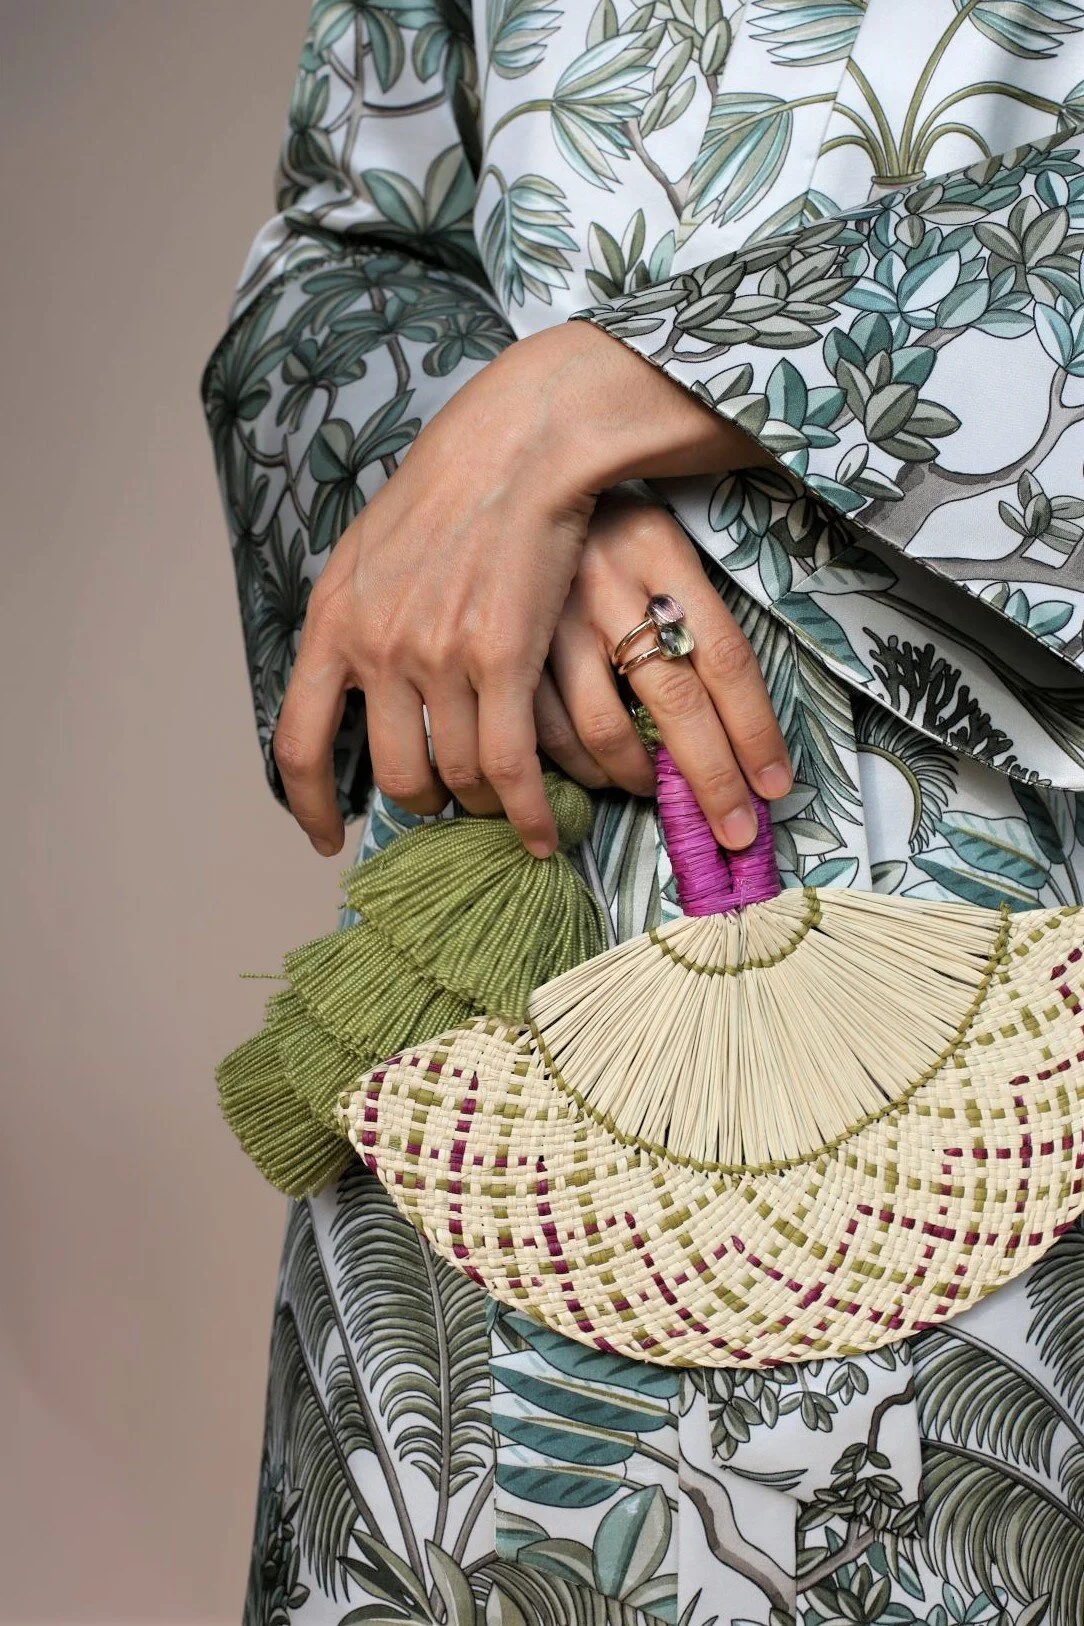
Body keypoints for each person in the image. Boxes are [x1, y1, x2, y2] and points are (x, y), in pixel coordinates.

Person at [203, 4, 1084, 1621]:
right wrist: (475, 483)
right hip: (507, 997)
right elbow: (341, 256)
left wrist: (590, 401)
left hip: (1019, 933)